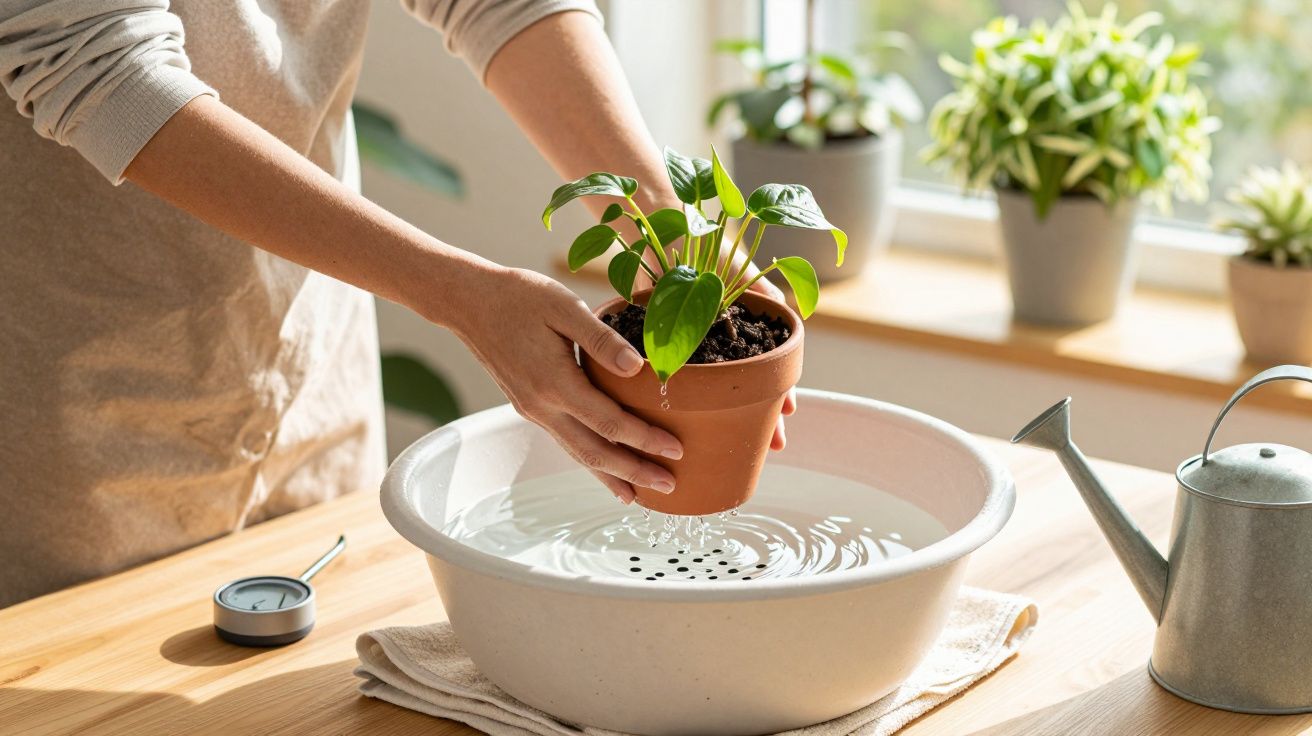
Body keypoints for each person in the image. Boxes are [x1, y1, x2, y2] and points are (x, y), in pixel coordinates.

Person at [0, 0, 793, 607]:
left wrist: (669, 227)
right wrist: (458, 293)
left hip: (310, 358)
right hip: (82, 401)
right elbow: (91, 61)